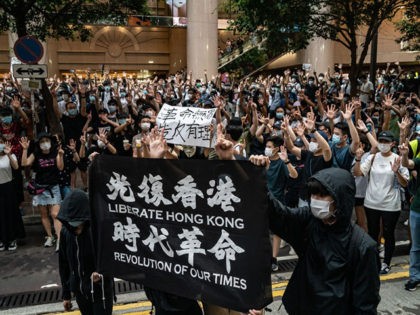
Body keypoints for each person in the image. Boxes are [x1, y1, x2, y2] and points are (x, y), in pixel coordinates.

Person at [250, 155, 380, 314]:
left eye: (322, 195)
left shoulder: (363, 247)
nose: (316, 200)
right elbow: (279, 216)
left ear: (340, 199)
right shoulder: (308, 221)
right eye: (313, 195)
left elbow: (365, 306)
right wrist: (258, 178)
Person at [354, 130, 409, 274]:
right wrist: (358, 159)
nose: (383, 144)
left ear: (393, 144)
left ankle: (386, 263)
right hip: (371, 203)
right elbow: (358, 173)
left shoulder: (398, 158)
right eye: (381, 141)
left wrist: (397, 171)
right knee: (372, 233)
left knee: (388, 233)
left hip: (391, 205)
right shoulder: (372, 157)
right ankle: (373, 262)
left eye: (386, 142)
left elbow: (405, 183)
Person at [58, 189, 114, 315]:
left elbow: (111, 258)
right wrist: (66, 294)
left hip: (100, 291)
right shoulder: (66, 233)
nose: (76, 229)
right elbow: (64, 264)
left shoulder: (99, 230)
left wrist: (100, 274)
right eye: (72, 225)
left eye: (79, 224)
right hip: (80, 291)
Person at [20, 132, 64, 249]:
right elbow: (24, 163)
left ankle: (59, 238)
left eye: (46, 141)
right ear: (39, 144)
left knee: (55, 214)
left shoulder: (55, 151)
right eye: (42, 141)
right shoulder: (36, 153)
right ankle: (50, 236)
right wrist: (25, 149)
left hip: (53, 187)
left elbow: (60, 167)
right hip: (40, 188)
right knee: (44, 214)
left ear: (50, 142)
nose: (45, 143)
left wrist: (60, 155)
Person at [399, 140, 420, 291]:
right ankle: (415, 277)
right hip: (417, 209)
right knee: (416, 247)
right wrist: (405, 155)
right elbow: (408, 164)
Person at [0, 137, 24, 251]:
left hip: (8, 187)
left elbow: (16, 167)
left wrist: (9, 154)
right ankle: (1, 239)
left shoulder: (10, 155)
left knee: (10, 213)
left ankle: (12, 239)